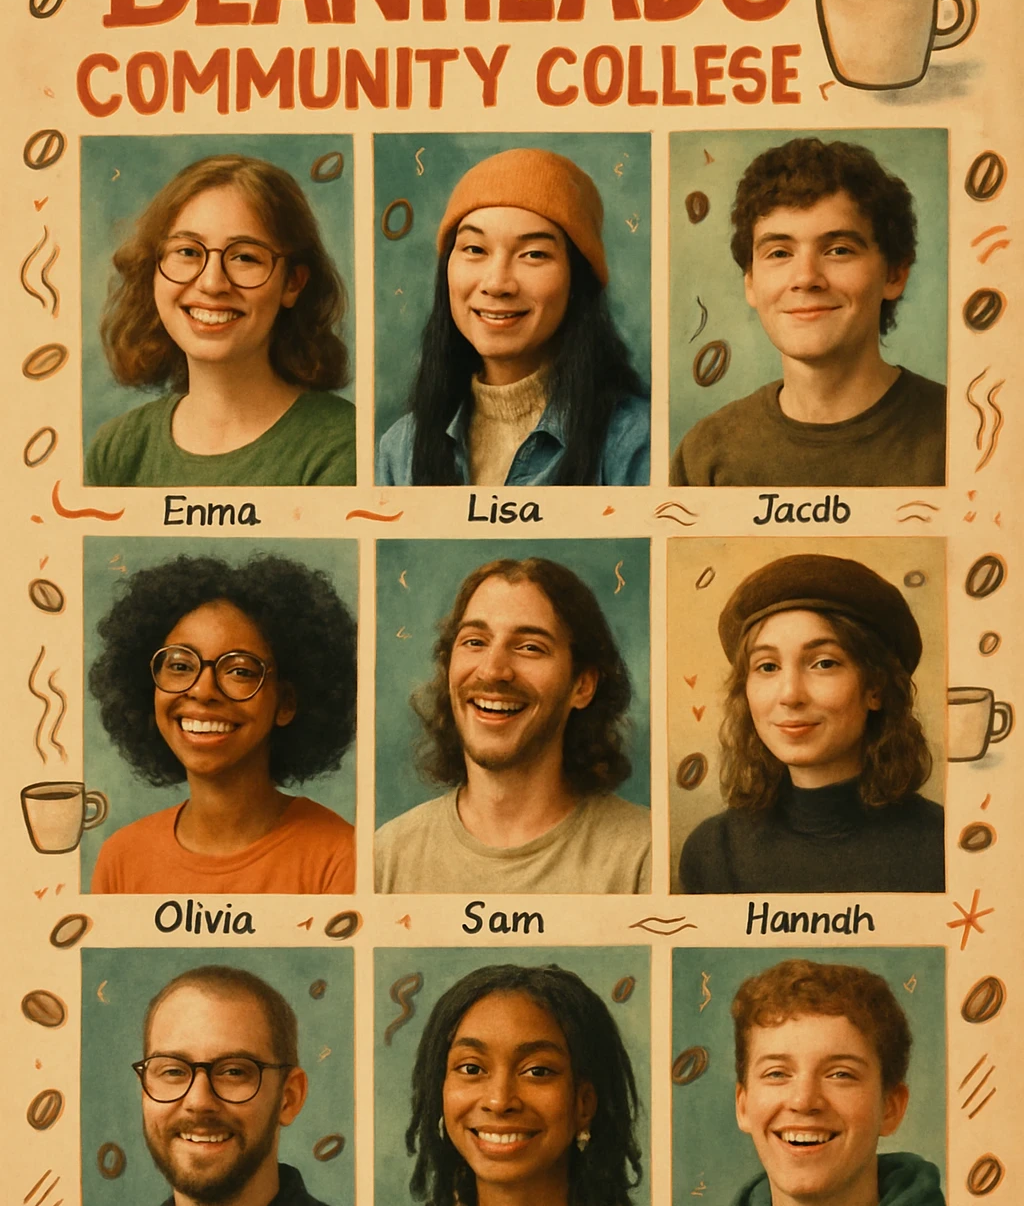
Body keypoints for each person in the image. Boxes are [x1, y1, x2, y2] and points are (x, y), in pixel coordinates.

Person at [671, 138, 946, 486]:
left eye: (839, 250)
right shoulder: (705, 454)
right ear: (751, 283)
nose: (805, 278)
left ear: (894, 275)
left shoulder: (963, 434)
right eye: (780, 253)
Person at [672, 959, 946, 1206]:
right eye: (776, 1073)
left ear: (890, 1107)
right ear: (743, 1106)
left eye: (840, 1074)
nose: (804, 1101)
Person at [375, 963, 649, 1206]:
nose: (499, 1100)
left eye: (537, 1071)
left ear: (584, 1103)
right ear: (439, 1093)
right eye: (471, 1068)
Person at [374, 556, 650, 893]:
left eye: (530, 647)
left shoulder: (644, 854)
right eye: (474, 641)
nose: (492, 670)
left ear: (582, 685)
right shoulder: (388, 856)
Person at [376, 147, 650, 486]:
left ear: (577, 280)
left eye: (533, 254)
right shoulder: (400, 449)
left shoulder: (636, 444)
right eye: (475, 249)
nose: (496, 283)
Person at [83, 965, 354, 1206]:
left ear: (289, 1098)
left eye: (233, 1072)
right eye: (172, 1071)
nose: (198, 1102)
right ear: (144, 1091)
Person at [88, 552, 356, 894]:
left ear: (286, 702)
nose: (203, 690)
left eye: (240, 671)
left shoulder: (340, 857)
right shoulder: (122, 857)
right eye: (181, 666)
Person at [677, 553, 944, 894]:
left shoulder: (944, 845)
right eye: (767, 667)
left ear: (875, 688)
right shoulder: (713, 852)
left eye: (823, 663)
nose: (790, 695)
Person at [84, 153, 355, 486]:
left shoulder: (342, 448)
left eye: (244, 257)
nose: (212, 283)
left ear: (292, 283)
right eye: (187, 252)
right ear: (152, 269)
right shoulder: (117, 449)